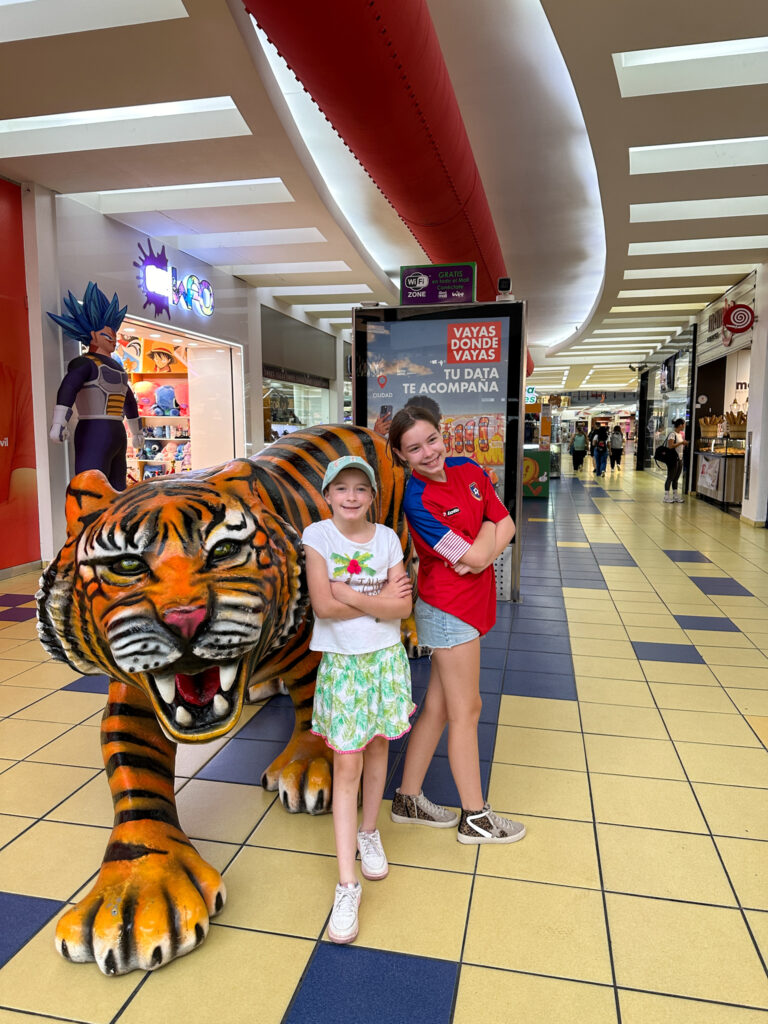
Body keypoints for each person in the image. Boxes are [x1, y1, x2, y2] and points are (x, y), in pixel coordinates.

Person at [387, 405, 525, 846]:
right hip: (448, 611)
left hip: (470, 603)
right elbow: (481, 552)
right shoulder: (417, 500)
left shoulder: (468, 468)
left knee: (441, 708)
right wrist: (485, 543)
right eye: (414, 448)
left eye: (431, 440)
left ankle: (408, 798)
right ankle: (475, 817)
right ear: (401, 454)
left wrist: (483, 542)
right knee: (468, 710)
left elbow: (507, 523)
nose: (427, 452)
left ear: (441, 434)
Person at [302, 455, 414, 944]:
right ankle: (347, 884)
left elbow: (404, 606)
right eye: (341, 488)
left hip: (387, 660)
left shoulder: (387, 538)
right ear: (327, 495)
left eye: (360, 489)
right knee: (345, 766)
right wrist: (378, 604)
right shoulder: (318, 536)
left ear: (372, 496)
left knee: (378, 750)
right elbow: (322, 605)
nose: (351, 497)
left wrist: (351, 593)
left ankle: (370, 832)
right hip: (345, 666)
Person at [48, 282, 143, 490]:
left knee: (114, 489)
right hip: (96, 431)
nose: (114, 341)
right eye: (108, 336)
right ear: (92, 336)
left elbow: (128, 400)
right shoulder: (85, 364)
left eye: (115, 336)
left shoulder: (116, 368)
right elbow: (68, 388)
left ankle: (113, 522)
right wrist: (58, 423)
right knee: (90, 488)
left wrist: (137, 432)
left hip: (111, 432)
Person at [663, 417, 687, 503]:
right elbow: (670, 446)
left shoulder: (680, 434)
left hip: (679, 458)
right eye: (684, 424)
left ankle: (675, 495)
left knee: (676, 478)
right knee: (670, 477)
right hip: (673, 459)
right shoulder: (672, 434)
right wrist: (681, 443)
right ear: (680, 425)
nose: (684, 426)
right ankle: (666, 496)